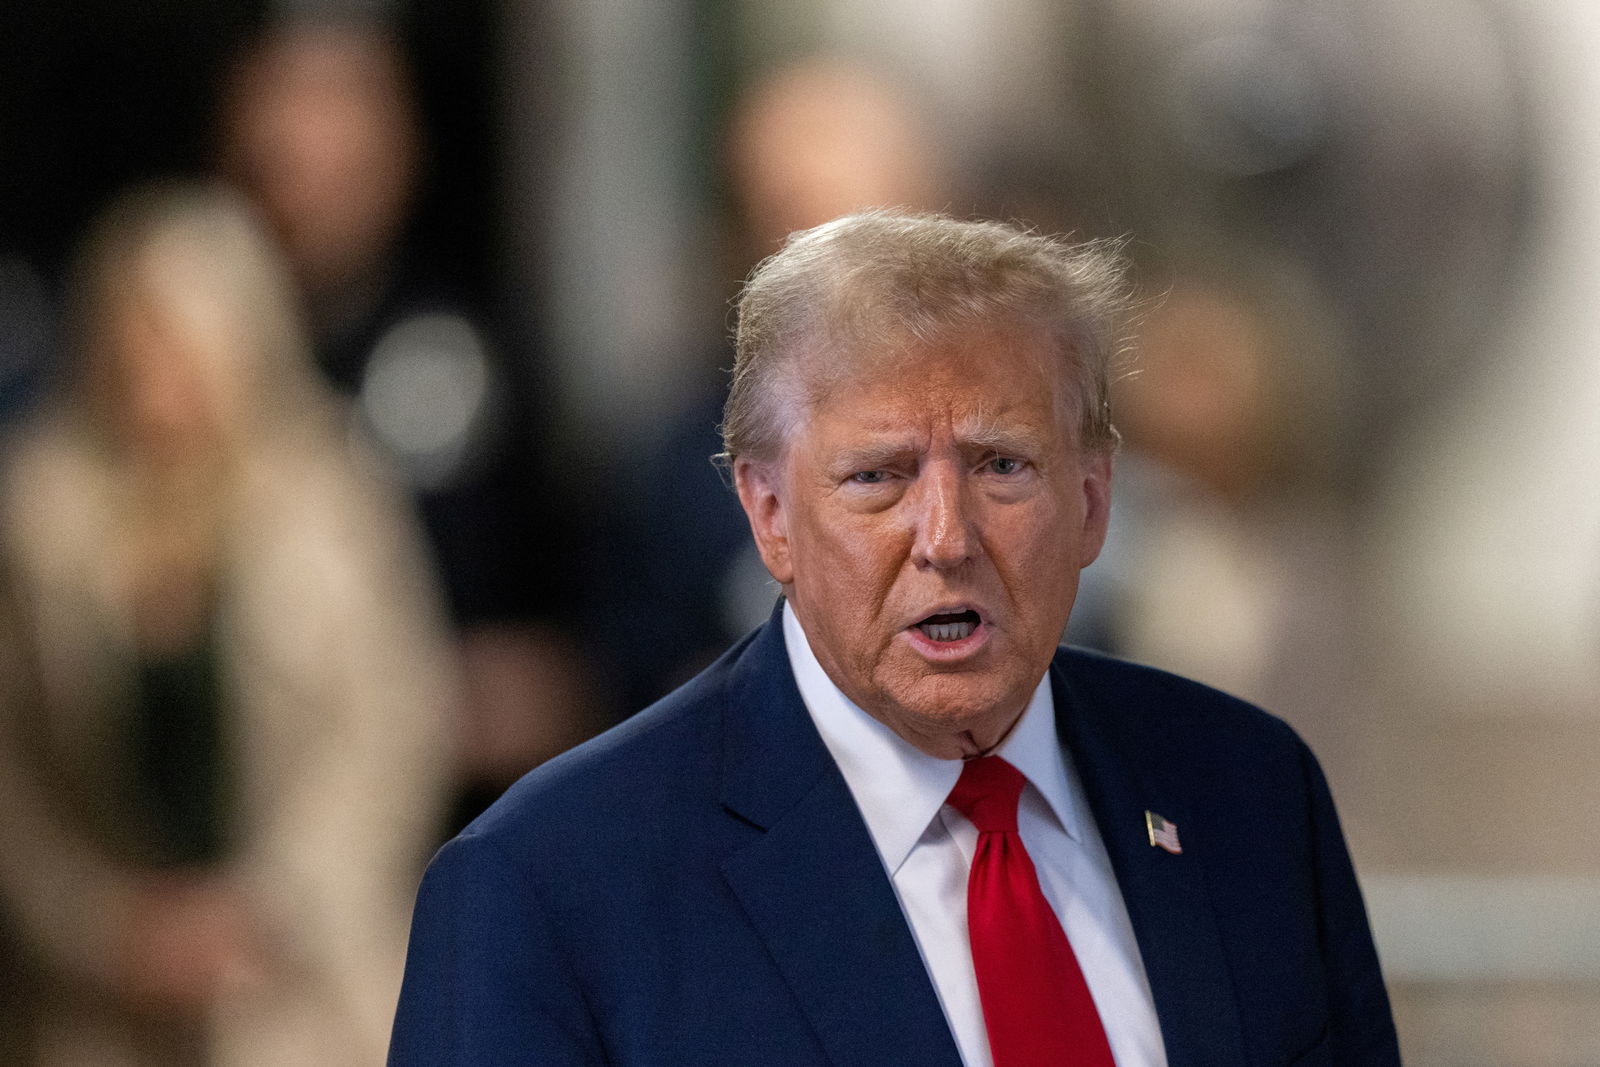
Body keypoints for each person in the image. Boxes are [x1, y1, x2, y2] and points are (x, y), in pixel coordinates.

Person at [389, 210, 1400, 1066]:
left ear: (1094, 500)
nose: (947, 538)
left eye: (1001, 465)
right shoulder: (546, 887)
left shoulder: (1250, 793)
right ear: (769, 514)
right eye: (878, 476)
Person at [0, 182, 454, 1066]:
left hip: (307, 998)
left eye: (175, 339)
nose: (152, 370)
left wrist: (270, 909)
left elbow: (395, 726)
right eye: (133, 337)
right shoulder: (36, 516)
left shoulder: (332, 500)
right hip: (94, 1008)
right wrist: (104, 927)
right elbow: (13, 778)